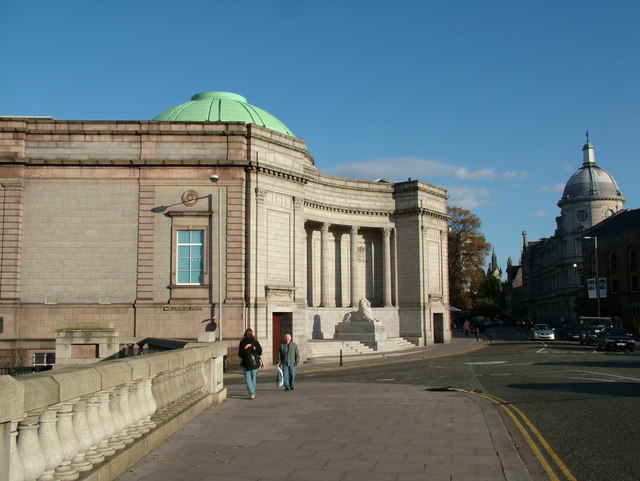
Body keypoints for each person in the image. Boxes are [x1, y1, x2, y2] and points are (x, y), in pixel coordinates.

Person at [238, 328, 263, 399]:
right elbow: (260, 351)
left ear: (245, 334)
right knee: (253, 378)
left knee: (248, 378)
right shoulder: (255, 341)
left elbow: (240, 354)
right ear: (252, 333)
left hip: (246, 363)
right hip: (254, 363)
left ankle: (251, 393)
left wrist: (245, 350)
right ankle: (252, 393)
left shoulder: (242, 342)